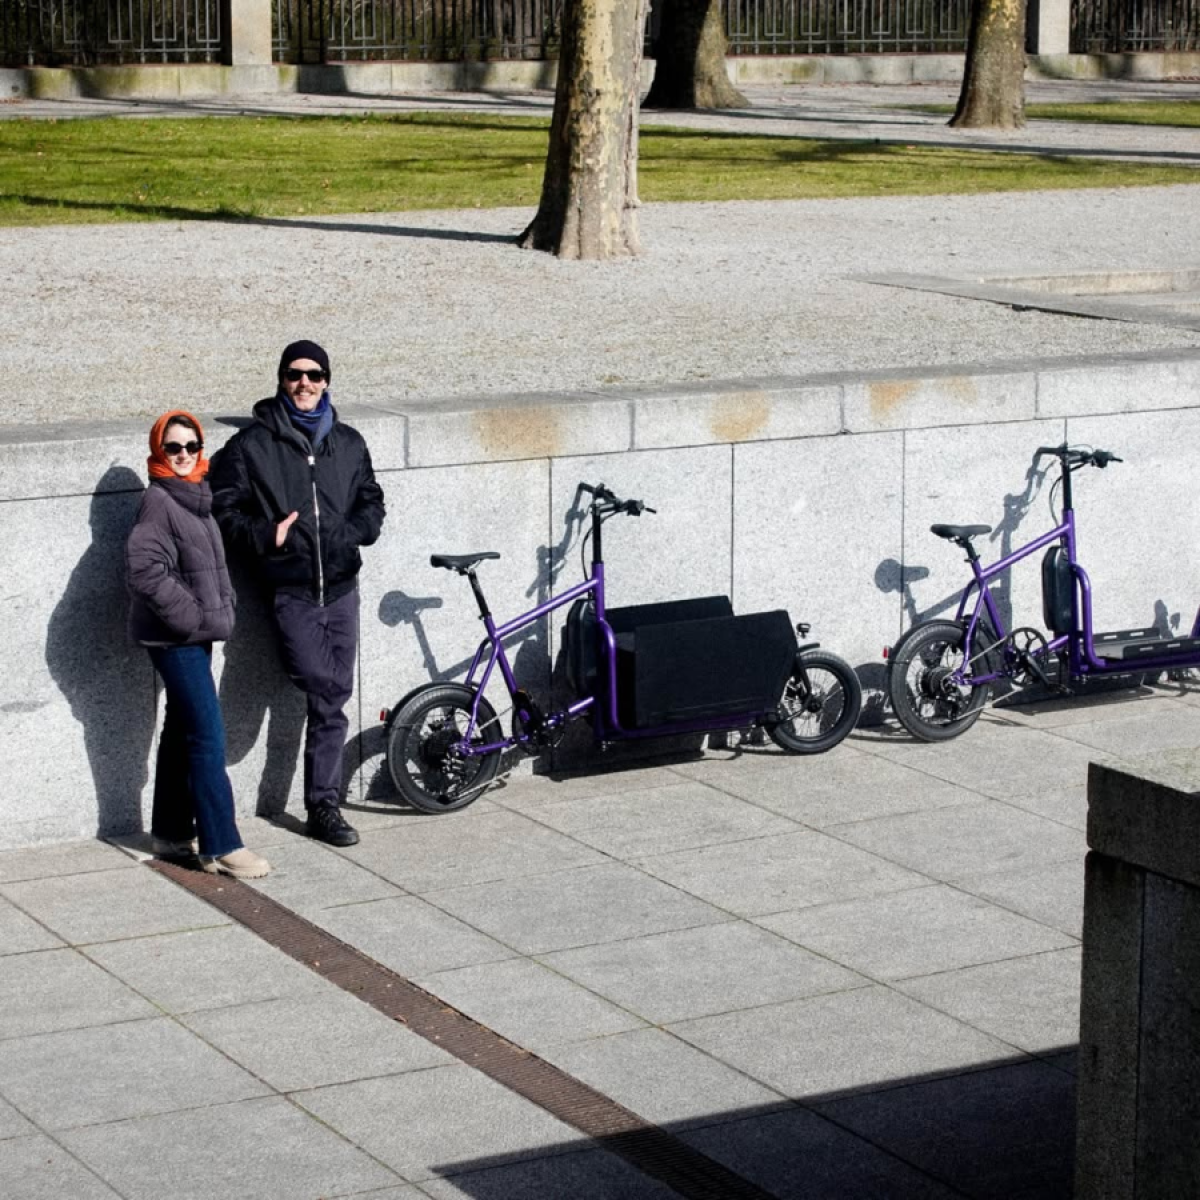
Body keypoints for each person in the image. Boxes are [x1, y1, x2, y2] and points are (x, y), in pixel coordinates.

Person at [210, 341, 385, 847]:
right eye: (294, 374)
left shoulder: (348, 442)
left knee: (329, 700)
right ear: (281, 380)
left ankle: (322, 806)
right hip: (291, 589)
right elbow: (223, 511)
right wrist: (268, 535)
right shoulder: (251, 446)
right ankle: (320, 800)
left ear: (326, 381)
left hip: (343, 587)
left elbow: (371, 501)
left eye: (313, 374)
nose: (304, 383)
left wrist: (352, 532)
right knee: (323, 682)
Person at [125, 411, 271, 879]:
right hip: (176, 637)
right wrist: (190, 616)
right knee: (208, 734)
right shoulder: (159, 501)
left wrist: (215, 610)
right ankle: (221, 845)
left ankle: (171, 833)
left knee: (181, 728)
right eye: (173, 447)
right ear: (158, 451)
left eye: (191, 446)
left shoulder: (194, 495)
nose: (184, 454)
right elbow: (144, 570)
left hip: (194, 635)